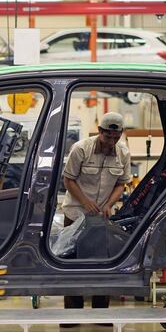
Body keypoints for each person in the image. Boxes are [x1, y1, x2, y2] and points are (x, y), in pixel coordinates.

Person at [61, 112, 132, 313]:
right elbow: (68, 180)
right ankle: (73, 314)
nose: (111, 141)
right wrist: (85, 201)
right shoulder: (80, 149)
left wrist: (109, 204)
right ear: (100, 131)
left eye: (115, 137)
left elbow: (121, 183)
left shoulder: (123, 154)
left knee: (102, 263)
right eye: (107, 136)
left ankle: (101, 312)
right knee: (73, 263)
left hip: (102, 217)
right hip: (75, 214)